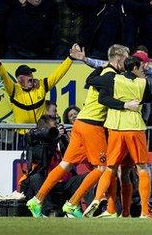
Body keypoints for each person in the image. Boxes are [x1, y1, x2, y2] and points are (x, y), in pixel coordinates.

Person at [26, 45, 138, 218]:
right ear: (118, 59)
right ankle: (72, 203)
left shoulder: (103, 72)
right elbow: (105, 99)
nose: (128, 62)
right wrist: (126, 105)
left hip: (80, 123)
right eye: (126, 58)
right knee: (102, 168)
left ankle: (37, 199)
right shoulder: (111, 76)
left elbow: (90, 80)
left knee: (66, 164)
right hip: (92, 124)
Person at [83, 56, 152, 218]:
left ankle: (97, 197)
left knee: (111, 168)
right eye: (141, 67)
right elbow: (150, 98)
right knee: (141, 168)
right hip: (135, 128)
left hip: (115, 128)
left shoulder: (112, 78)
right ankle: (144, 211)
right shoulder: (143, 83)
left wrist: (102, 67)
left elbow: (92, 82)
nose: (143, 69)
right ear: (135, 68)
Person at [20, 115, 85, 217]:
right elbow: (44, 159)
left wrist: (67, 139)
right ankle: (50, 212)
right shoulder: (36, 143)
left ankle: (89, 210)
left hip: (65, 182)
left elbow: (74, 158)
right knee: (36, 178)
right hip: (47, 182)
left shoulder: (61, 139)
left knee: (85, 177)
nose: (57, 128)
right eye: (54, 127)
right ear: (44, 130)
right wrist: (54, 139)